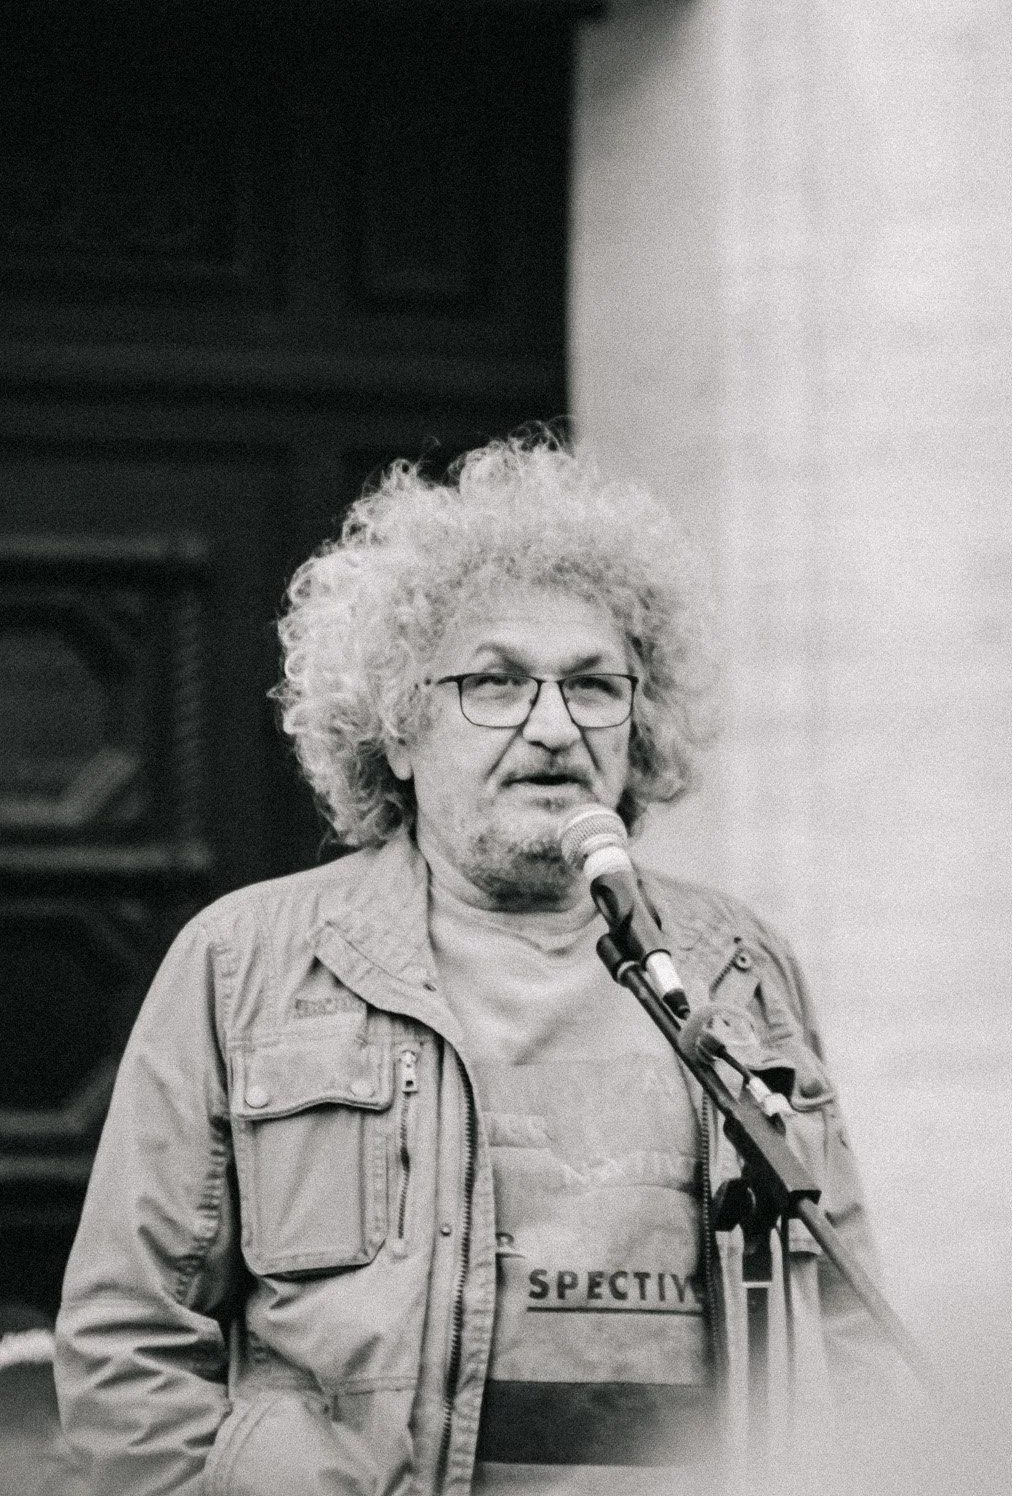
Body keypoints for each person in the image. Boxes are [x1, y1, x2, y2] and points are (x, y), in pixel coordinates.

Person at [54, 434, 887, 1495]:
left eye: (594, 684)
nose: (552, 724)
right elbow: (131, 1342)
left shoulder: (737, 964)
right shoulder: (241, 961)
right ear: (397, 728)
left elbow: (850, 1323)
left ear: (643, 723)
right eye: (495, 681)